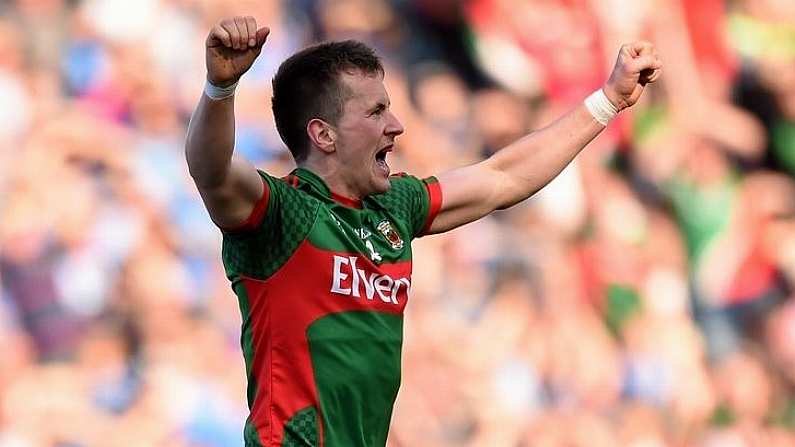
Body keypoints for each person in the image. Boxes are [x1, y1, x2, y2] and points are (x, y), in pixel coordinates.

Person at [185, 15, 662, 447]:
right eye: (375, 112)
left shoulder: (396, 204)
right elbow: (211, 169)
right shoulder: (282, 214)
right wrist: (220, 89)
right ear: (323, 134)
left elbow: (503, 177)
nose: (396, 126)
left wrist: (609, 101)